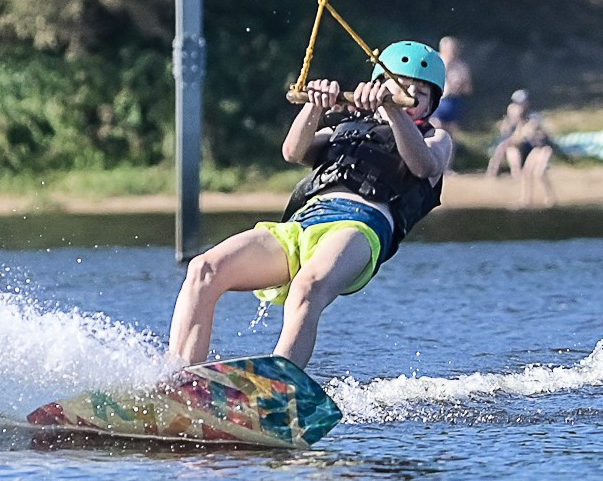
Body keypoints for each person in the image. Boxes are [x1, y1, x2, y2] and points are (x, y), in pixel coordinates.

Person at [168, 41, 454, 369]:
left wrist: (391, 110)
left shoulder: (436, 138)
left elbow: (424, 167)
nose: (411, 94)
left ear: (431, 104)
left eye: (421, 92)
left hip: (361, 226)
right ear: (376, 85)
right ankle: (178, 379)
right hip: (304, 222)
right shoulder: (344, 128)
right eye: (401, 84)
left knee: (308, 287)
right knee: (203, 269)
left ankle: (280, 388)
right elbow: (293, 152)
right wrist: (315, 106)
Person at [435, 35, 475, 139]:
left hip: (453, 101)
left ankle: (449, 153)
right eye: (450, 49)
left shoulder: (462, 67)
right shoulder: (434, 62)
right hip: (437, 99)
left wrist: (460, 86)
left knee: (451, 133)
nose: (453, 52)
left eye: (454, 49)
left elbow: (468, 90)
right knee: (435, 127)